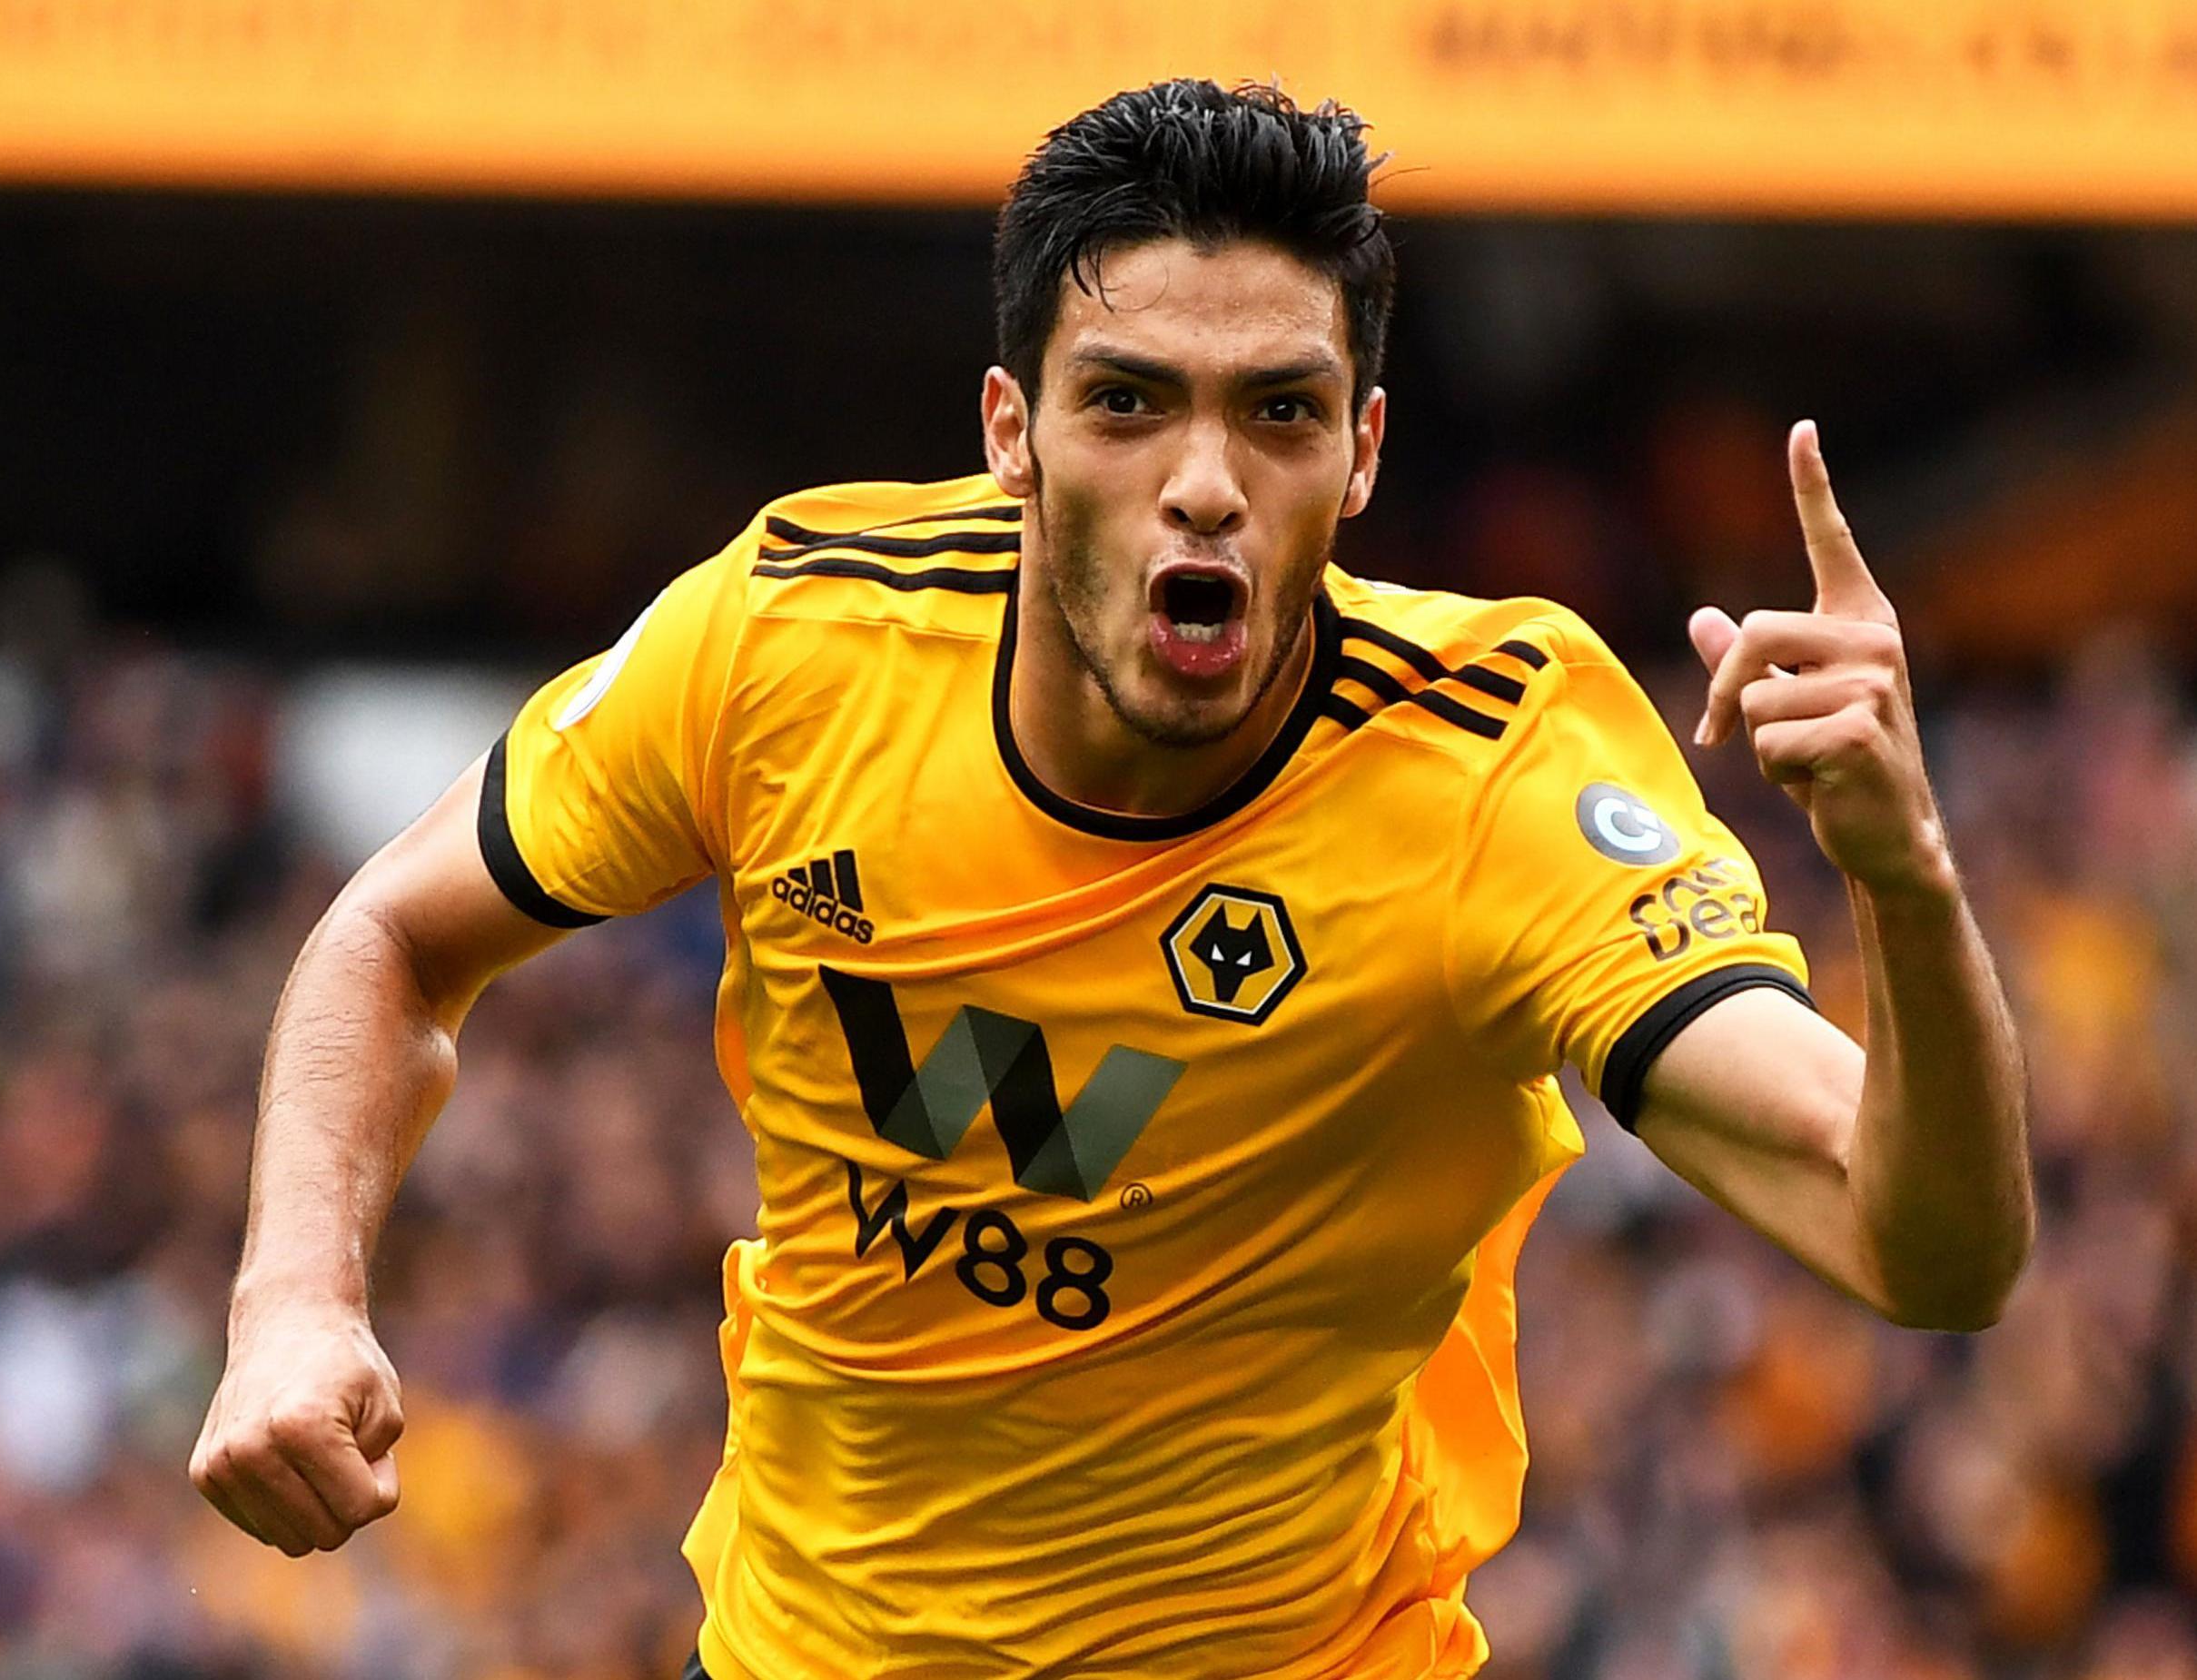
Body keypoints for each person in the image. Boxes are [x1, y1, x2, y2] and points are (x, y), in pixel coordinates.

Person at [190, 80, 2034, 1680]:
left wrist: (1905, 877)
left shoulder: (1496, 775)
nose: (1205, 485)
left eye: (1281, 414)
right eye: (1130, 402)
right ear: (1012, 433)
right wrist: (290, 1294)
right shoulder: (788, 644)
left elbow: (1921, 1244)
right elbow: (393, 935)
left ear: (1364, 454)